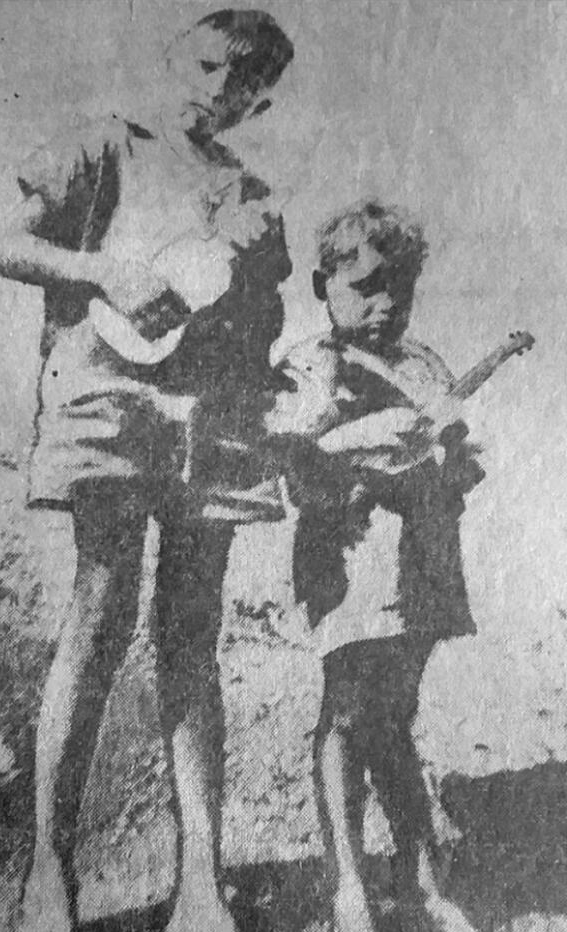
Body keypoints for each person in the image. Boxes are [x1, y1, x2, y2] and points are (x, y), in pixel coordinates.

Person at [0, 10, 294, 932]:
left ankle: (202, 880)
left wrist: (261, 327)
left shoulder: (253, 192)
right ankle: (50, 869)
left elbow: (259, 320)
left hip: (213, 419)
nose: (215, 91)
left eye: (239, 85)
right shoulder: (105, 145)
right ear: (172, 59)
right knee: (102, 608)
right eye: (203, 66)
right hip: (111, 399)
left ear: (259, 100)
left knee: (192, 634)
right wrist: (103, 273)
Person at [266, 200, 481, 932]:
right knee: (350, 711)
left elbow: (458, 466)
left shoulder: (425, 366)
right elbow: (295, 464)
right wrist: (347, 439)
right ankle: (348, 886)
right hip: (351, 559)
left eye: (401, 287)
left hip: (419, 558)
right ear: (324, 286)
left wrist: (454, 456)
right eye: (365, 287)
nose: (385, 303)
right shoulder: (312, 365)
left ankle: (417, 877)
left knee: (397, 713)